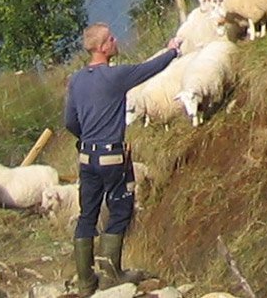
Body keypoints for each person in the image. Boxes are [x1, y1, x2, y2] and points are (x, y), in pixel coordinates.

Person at [61, 22, 181, 296]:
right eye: (111, 39)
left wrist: (85, 137)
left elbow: (70, 121)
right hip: (112, 157)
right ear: (103, 47)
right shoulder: (116, 76)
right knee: (120, 210)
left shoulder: (77, 79)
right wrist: (173, 51)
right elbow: (148, 69)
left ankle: (85, 282)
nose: (116, 41)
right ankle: (111, 274)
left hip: (86, 157)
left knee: (87, 214)